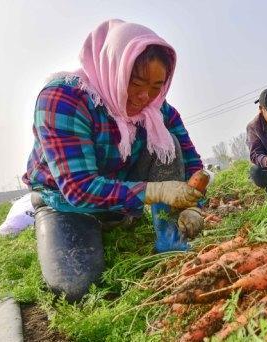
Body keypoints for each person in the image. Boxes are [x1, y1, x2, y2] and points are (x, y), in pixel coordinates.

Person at [22, 19, 205, 302]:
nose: (145, 96)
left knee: (168, 144)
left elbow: (192, 162)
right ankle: (68, 222)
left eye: (157, 86)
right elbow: (79, 188)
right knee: (77, 287)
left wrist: (194, 206)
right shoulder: (64, 99)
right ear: (115, 69)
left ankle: (171, 242)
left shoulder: (158, 110)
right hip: (66, 202)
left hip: (117, 193)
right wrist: (157, 191)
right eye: (136, 82)